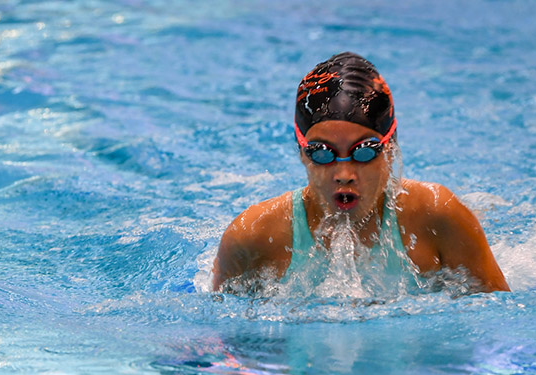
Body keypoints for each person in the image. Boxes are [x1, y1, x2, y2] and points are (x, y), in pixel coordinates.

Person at [212, 52, 509, 295]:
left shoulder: (438, 219)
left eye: (364, 151)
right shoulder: (253, 237)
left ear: (390, 149)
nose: (344, 173)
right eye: (322, 152)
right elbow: (227, 344)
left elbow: (499, 325)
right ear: (302, 152)